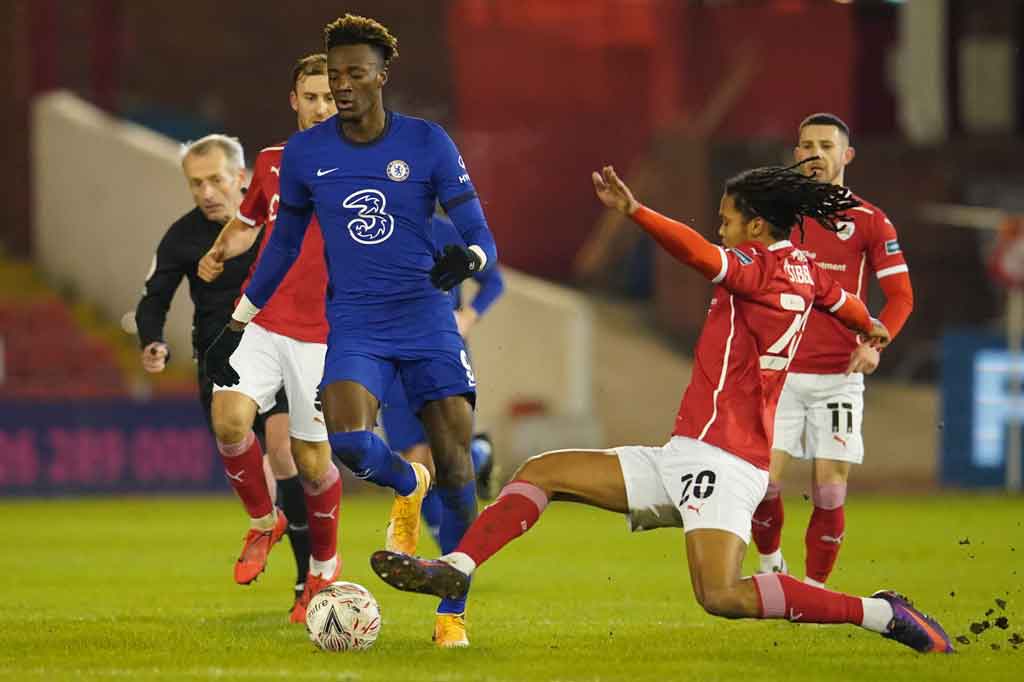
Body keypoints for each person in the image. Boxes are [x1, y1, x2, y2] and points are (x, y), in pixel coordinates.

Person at [371, 163, 953, 655]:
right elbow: (845, 300)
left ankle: (880, 614)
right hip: (686, 452)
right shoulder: (805, 268)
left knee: (721, 596)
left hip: (725, 463)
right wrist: (870, 327)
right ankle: (456, 566)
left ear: (754, 225)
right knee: (542, 471)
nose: (720, 229)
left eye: (726, 219)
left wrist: (636, 211)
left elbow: (700, 256)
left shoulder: (758, 270)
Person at [203, 14, 498, 640]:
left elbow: (479, 233)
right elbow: (279, 248)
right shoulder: (309, 152)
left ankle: (452, 612)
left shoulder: (427, 142)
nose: (341, 86)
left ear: (382, 76)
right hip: (357, 323)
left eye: (354, 74)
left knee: (456, 467)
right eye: (333, 74)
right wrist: (240, 319)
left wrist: (468, 259)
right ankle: (404, 481)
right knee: (348, 445)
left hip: (426, 319)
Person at [196, 54, 341, 623]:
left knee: (310, 460)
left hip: (324, 335)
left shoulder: (363, 165)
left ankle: (322, 570)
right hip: (259, 318)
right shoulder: (272, 162)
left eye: (330, 97)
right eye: (312, 97)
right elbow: (251, 222)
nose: (322, 107)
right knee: (228, 419)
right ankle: (264, 521)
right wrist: (219, 249)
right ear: (294, 101)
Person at [134, 135, 306, 607]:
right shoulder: (183, 236)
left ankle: (306, 582)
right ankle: (265, 523)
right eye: (195, 183)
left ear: (241, 179)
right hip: (221, 359)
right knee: (260, 466)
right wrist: (152, 339)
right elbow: (155, 295)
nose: (206, 192)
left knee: (285, 452)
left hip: (277, 344)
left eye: (215, 180)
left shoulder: (277, 223)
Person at [750, 114, 915, 586]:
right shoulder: (774, 215)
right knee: (765, 483)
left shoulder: (869, 220)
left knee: (828, 488)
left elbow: (901, 296)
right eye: (806, 145)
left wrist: (876, 340)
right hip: (778, 373)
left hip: (838, 378)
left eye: (826, 145)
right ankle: (770, 566)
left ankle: (816, 591)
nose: (814, 153)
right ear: (795, 153)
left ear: (846, 156)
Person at [380, 214, 505, 549]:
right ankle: (453, 554)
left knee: (445, 459)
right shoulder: (370, 231)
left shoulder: (445, 231)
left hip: (442, 351)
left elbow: (494, 280)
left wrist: (467, 316)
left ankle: (454, 555)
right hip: (392, 354)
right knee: (415, 466)